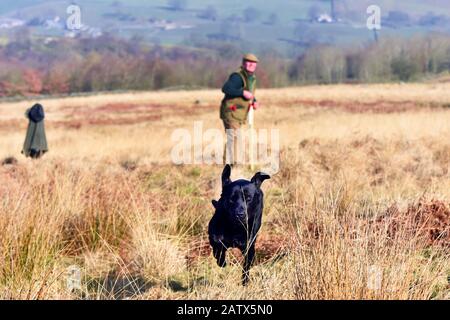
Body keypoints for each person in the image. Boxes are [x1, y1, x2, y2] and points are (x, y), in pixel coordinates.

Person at [220, 53, 260, 166]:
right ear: (243, 63)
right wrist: (242, 92)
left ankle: (232, 164)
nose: (251, 65)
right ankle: (234, 165)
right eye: (249, 62)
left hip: (239, 113)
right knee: (235, 136)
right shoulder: (237, 76)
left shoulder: (251, 78)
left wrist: (254, 101)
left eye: (254, 63)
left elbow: (249, 93)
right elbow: (226, 88)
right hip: (231, 112)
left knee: (234, 137)